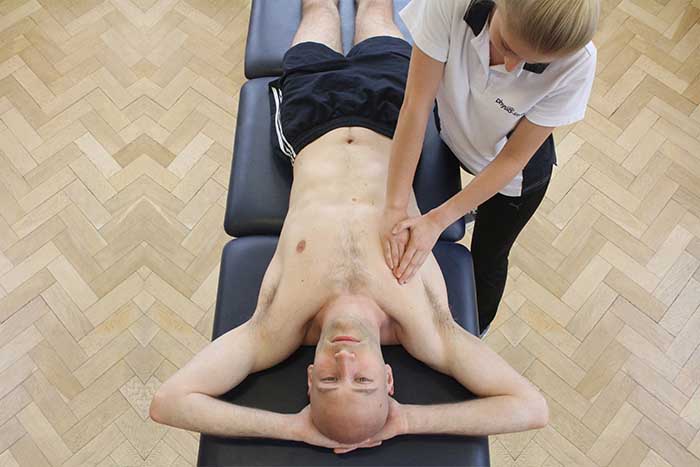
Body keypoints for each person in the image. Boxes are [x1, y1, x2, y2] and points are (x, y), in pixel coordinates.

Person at [149, 0, 548, 452]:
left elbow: (169, 402)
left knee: (317, 13)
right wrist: (407, 422)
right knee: (376, 14)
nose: (344, 359)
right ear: (388, 376)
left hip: (310, 122)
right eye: (362, 380)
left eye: (328, 379)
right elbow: (531, 407)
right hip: (392, 119)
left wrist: (294, 428)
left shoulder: (274, 330)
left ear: (308, 374)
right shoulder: (428, 331)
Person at [380, 0, 599, 336]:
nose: (511, 67)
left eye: (531, 63)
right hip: (452, 129)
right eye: (507, 46)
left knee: (488, 258)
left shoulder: (577, 64)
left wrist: (439, 219)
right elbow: (415, 106)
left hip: (510, 175)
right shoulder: (451, 5)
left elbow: (512, 160)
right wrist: (394, 206)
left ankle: (476, 332)